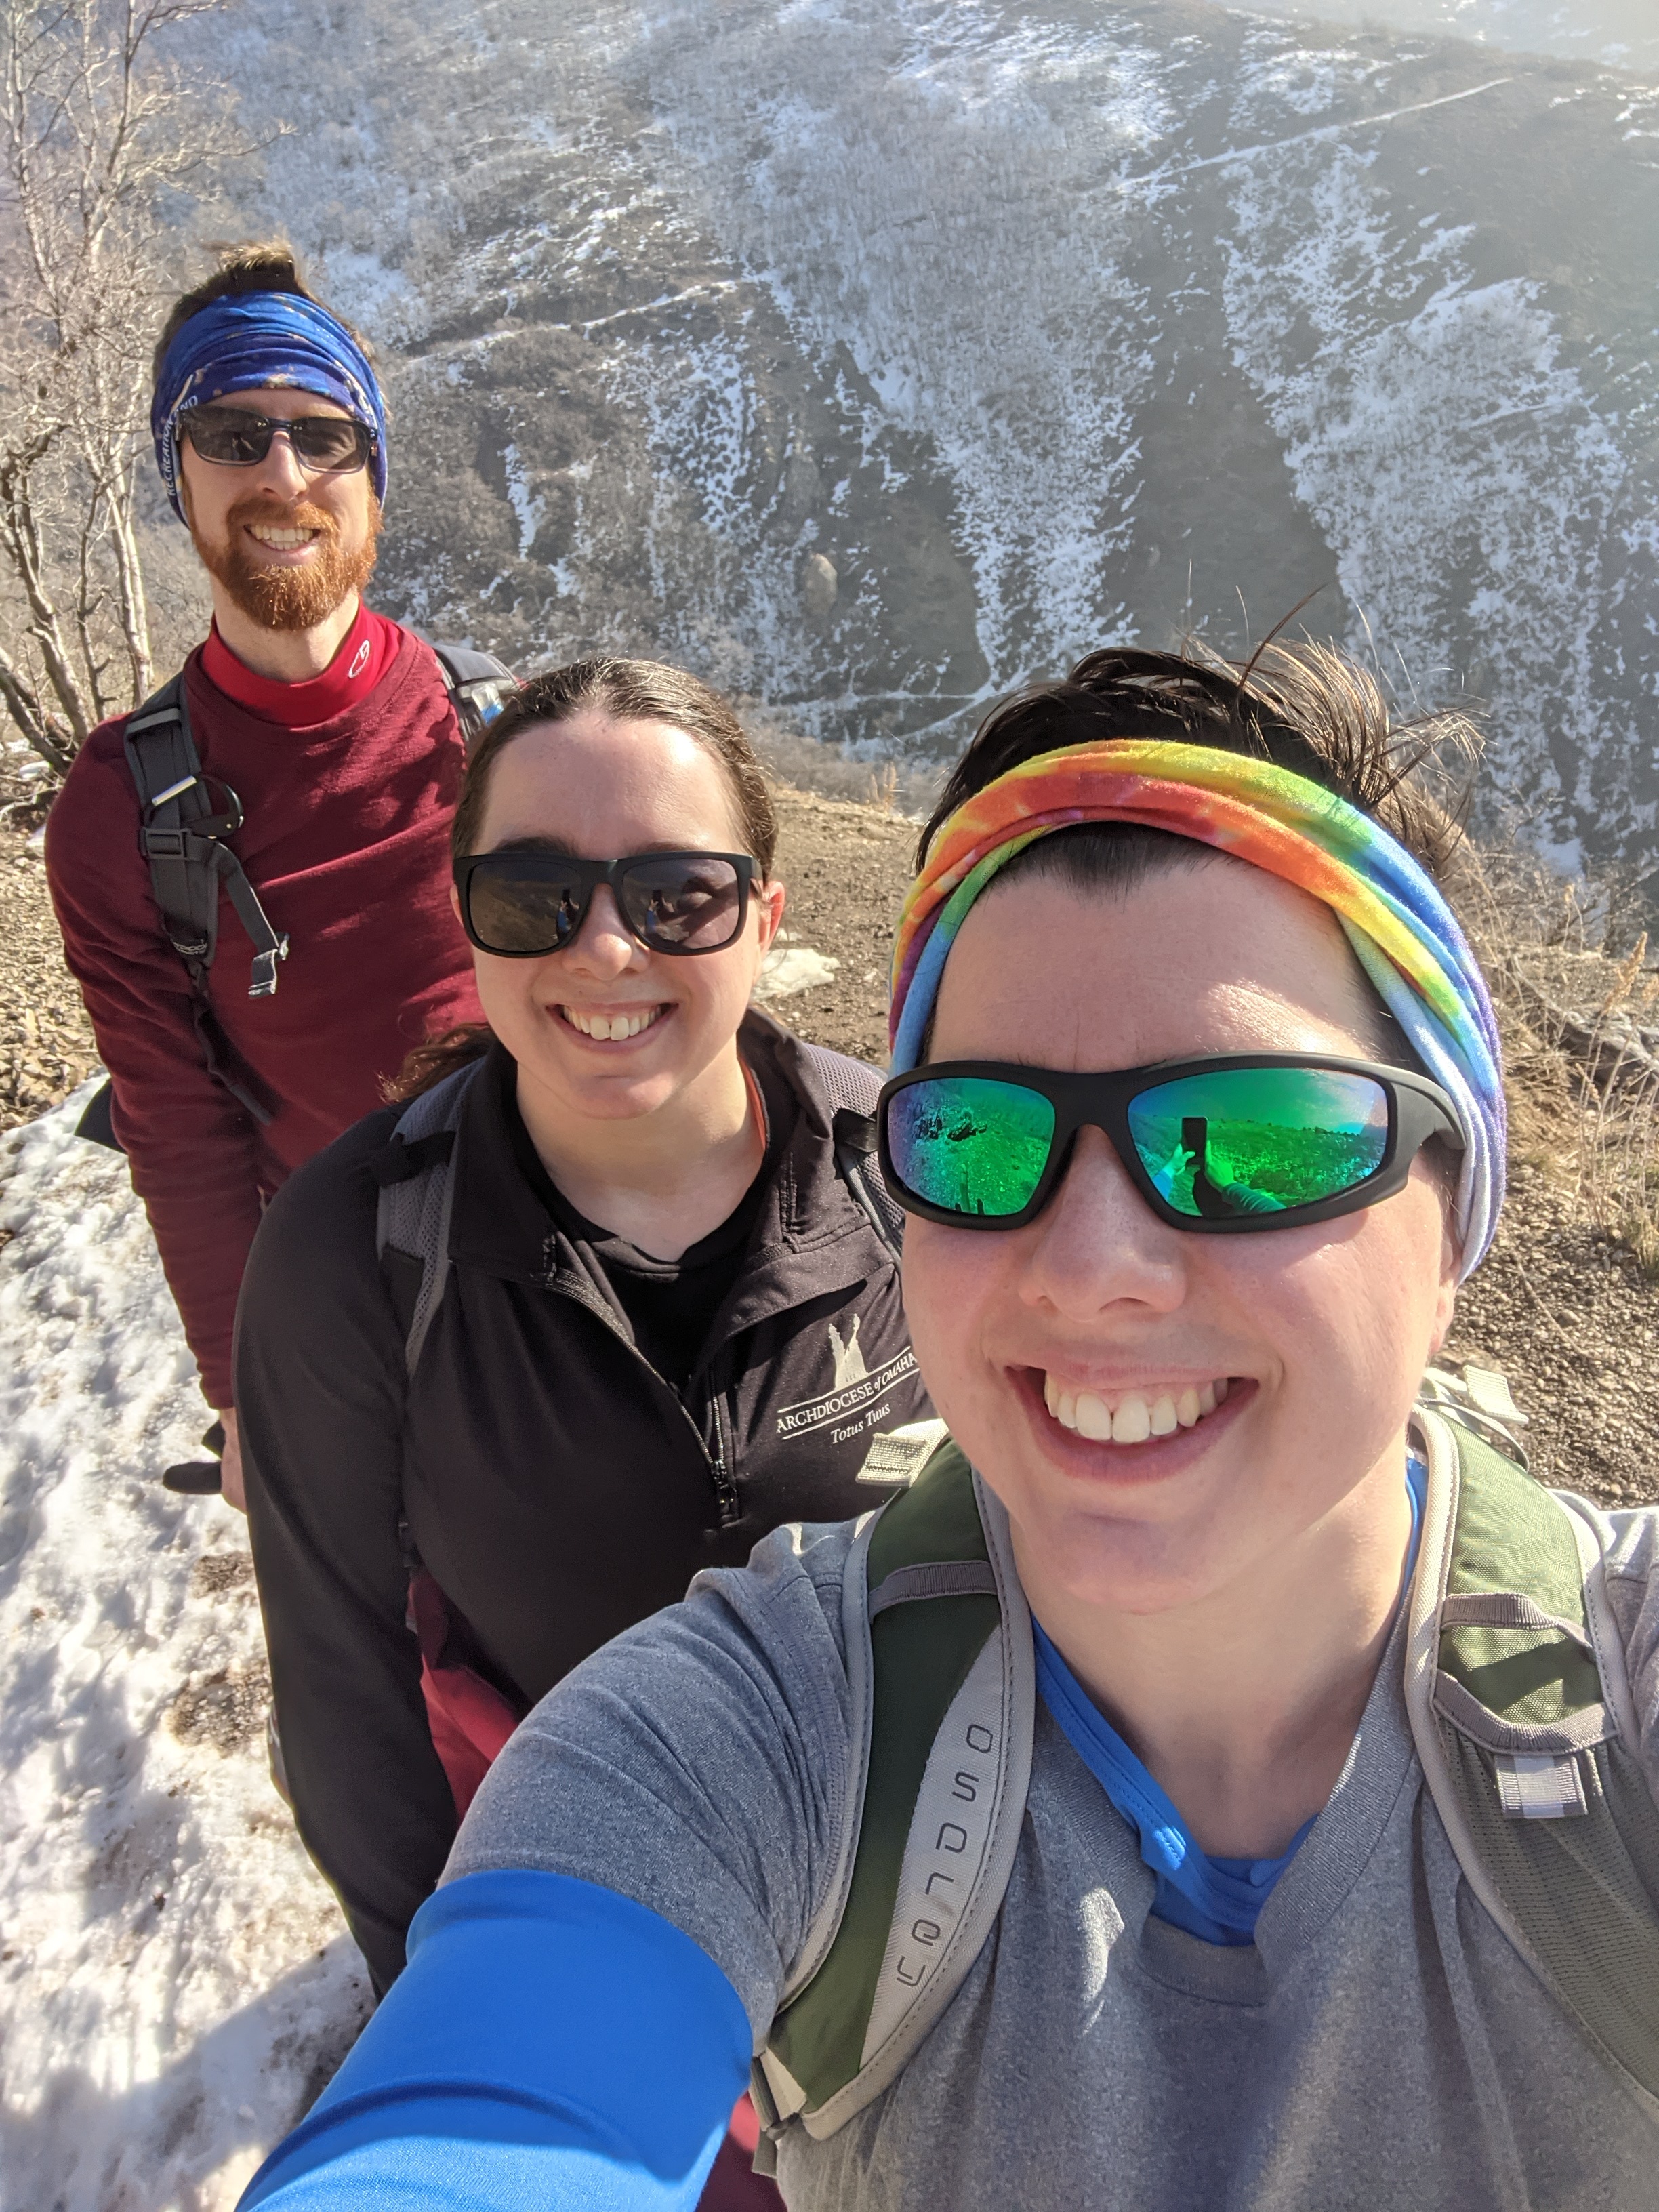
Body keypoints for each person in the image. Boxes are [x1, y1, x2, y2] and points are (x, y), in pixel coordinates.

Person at [238, 643, 1659, 2212]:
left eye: (1258, 1138)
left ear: (1456, 1212)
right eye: (983, 1137)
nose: (1098, 1267)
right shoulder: (736, 1732)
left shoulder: (1619, 1723)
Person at [236, 657, 934, 2011]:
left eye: (678, 895)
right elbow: (343, 1691)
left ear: (764, 916)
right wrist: (458, 2007)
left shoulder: (913, 1177)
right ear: (468, 923)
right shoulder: (358, 1251)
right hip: (575, 1899)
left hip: (913, 1887)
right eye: (534, 897)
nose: (606, 950)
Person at [45, 241, 491, 1507]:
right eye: (233, 433)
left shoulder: (502, 731)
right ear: (177, 478)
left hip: (563, 1257)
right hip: (343, 1311)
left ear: (374, 478)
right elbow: (173, 1125)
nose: (281, 473)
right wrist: (246, 1392)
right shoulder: (116, 811)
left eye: (323, 434)